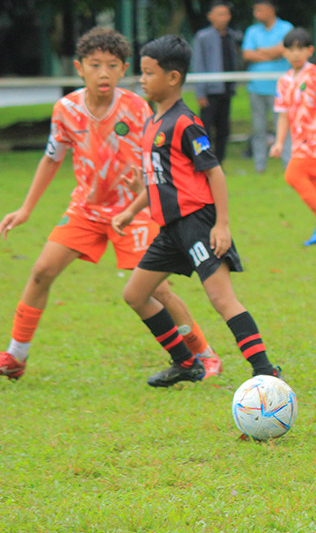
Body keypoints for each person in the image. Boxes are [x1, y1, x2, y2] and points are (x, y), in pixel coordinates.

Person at [0, 28, 220, 381]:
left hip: (131, 211)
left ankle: (203, 353)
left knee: (157, 289)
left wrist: (142, 187)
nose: (103, 72)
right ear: (79, 67)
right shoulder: (66, 110)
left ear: (123, 69)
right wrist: (25, 209)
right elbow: (51, 159)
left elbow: (155, 155)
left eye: (112, 65)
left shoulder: (135, 107)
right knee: (41, 272)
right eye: (95, 65)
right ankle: (15, 355)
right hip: (85, 210)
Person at [112, 35, 279, 387]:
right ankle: (186, 363)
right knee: (135, 294)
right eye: (141, 73)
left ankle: (265, 370)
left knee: (221, 298)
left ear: (173, 78)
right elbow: (158, 182)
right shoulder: (151, 124)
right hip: (170, 229)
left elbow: (214, 172)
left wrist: (222, 224)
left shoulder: (185, 123)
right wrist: (130, 211)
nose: (142, 79)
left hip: (198, 223)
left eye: (148, 73)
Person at [269, 27, 316, 246]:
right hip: (298, 141)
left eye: (301, 49)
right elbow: (283, 116)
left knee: (292, 175)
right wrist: (279, 142)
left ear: (310, 50)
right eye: (291, 49)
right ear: (284, 52)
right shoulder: (283, 81)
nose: (296, 54)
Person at [242, 0, 294, 173]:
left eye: (260, 10)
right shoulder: (252, 31)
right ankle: (259, 168)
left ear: (271, 9)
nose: (257, 14)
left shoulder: (286, 28)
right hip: (256, 87)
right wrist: (273, 53)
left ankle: (289, 166)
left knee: (285, 127)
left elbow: (285, 49)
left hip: (280, 89)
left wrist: (262, 51)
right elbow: (247, 54)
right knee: (259, 129)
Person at [191, 0, 240, 164]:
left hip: (226, 89)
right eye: (219, 14)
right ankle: (202, 159)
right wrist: (200, 91)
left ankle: (219, 162)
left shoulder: (232, 36)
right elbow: (198, 63)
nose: (223, 18)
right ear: (210, 16)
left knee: (223, 129)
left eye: (225, 14)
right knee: (204, 128)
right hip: (210, 91)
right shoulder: (203, 37)